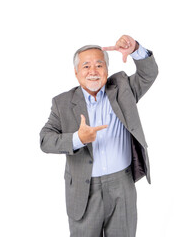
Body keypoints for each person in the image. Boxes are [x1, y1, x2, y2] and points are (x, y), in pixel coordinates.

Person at [40, 34, 158, 237]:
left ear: (107, 70)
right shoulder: (62, 103)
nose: (93, 71)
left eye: (99, 65)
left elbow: (149, 74)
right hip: (85, 190)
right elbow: (45, 140)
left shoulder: (123, 89)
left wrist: (135, 49)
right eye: (86, 66)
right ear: (76, 73)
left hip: (122, 185)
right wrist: (77, 139)